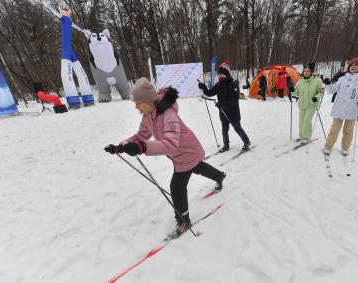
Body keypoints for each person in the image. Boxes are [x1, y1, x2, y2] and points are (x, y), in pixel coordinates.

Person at [104, 78, 226, 238]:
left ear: (148, 101)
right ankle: (220, 176)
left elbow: (170, 144)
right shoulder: (148, 117)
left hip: (186, 152)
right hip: (184, 153)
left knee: (176, 186)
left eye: (138, 103)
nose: (136, 106)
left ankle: (183, 220)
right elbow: (140, 136)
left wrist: (142, 148)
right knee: (198, 167)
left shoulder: (168, 114)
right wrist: (121, 146)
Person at [198, 60, 251, 152]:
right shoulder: (219, 85)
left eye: (222, 74)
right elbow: (210, 93)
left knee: (237, 128)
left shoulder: (233, 84)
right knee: (224, 129)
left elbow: (234, 100)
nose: (220, 76)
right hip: (222, 111)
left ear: (226, 74)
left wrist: (223, 104)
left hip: (233, 112)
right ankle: (226, 145)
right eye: (219, 74)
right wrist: (204, 88)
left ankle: (246, 142)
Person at [322, 58, 358, 155]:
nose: (353, 66)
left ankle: (345, 148)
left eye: (356, 65)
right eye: (351, 65)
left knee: (348, 131)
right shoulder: (342, 78)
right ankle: (328, 146)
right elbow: (332, 90)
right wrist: (328, 84)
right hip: (339, 108)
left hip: (352, 109)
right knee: (334, 129)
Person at [292, 63, 324, 144]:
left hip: (311, 105)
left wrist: (316, 97)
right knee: (301, 121)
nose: (306, 72)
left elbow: (321, 92)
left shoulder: (317, 80)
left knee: (306, 121)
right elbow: (296, 92)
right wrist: (292, 90)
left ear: (311, 72)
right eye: (305, 71)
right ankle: (301, 135)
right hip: (302, 104)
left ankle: (306, 137)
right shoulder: (300, 80)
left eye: (308, 71)